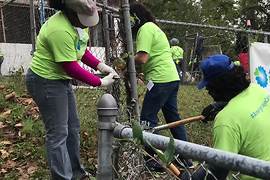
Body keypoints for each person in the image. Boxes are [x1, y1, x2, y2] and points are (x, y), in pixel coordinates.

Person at [25, 0, 118, 179]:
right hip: (45, 81)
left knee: (72, 128)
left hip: (60, 80)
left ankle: (76, 173)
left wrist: (101, 66)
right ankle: (63, 177)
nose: (86, 24)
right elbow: (70, 67)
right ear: (71, 12)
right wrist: (99, 83)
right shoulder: (58, 30)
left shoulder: (77, 25)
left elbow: (80, 50)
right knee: (58, 133)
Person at [181, 54, 270, 179]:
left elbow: (217, 171)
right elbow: (242, 105)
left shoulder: (226, 120)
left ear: (218, 85)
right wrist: (219, 105)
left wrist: (192, 178)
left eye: (208, 86)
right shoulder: (258, 91)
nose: (207, 90)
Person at [130, 2, 192, 171]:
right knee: (173, 118)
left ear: (134, 19)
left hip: (160, 79)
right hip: (170, 77)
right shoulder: (154, 27)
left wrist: (125, 58)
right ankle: (186, 157)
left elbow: (142, 57)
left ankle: (152, 159)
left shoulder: (145, 29)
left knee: (147, 120)